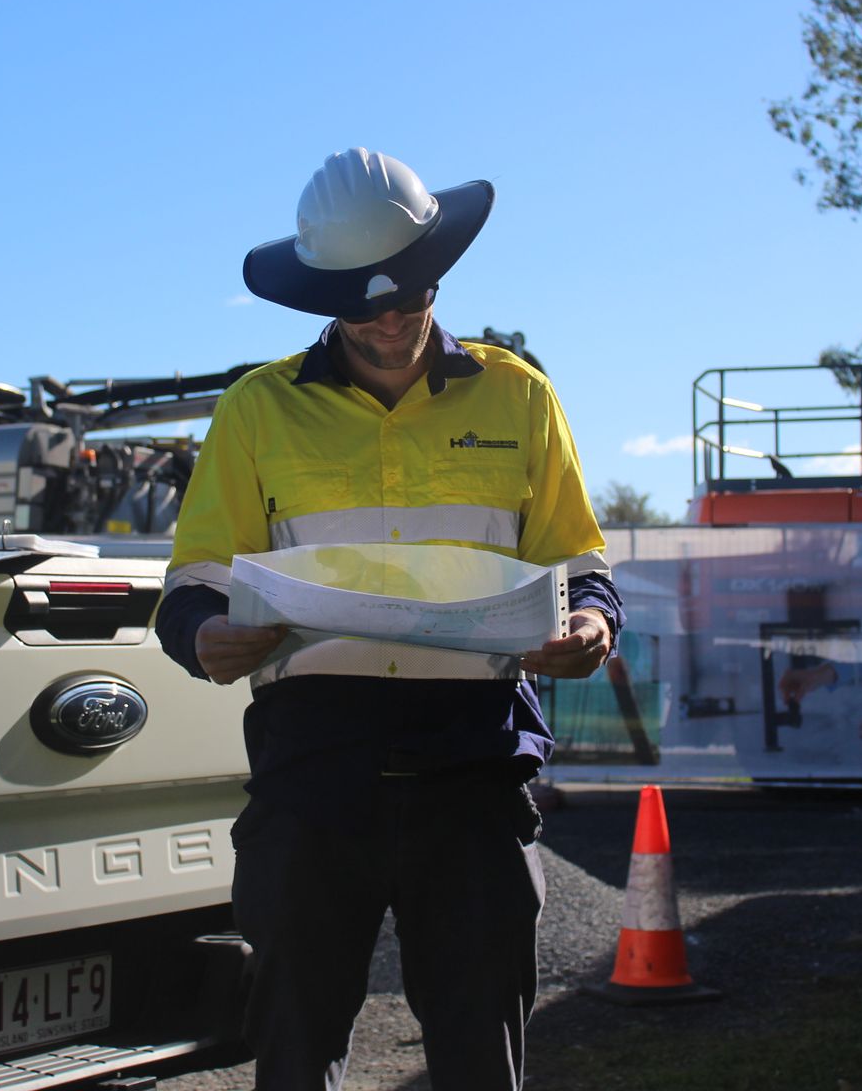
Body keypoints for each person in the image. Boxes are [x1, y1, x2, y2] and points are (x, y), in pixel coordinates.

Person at [155, 147, 623, 1091]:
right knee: (293, 1051)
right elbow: (192, 585)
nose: (387, 319)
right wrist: (203, 634)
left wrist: (593, 627)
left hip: (474, 769)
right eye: (359, 303)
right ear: (320, 296)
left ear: (440, 270)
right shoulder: (257, 410)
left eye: (406, 294)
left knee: (479, 1055)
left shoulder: (520, 395)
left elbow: (580, 564)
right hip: (313, 774)